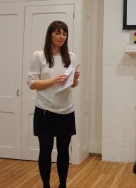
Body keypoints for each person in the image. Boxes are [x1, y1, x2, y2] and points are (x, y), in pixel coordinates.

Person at [27, 20, 80, 188]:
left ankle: (62, 185)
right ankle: (46, 185)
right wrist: (53, 81)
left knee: (64, 151)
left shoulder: (70, 56)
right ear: (50, 34)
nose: (61, 36)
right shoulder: (39, 56)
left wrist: (75, 80)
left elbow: (71, 85)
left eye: (64, 34)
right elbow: (32, 83)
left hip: (66, 110)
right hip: (45, 111)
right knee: (45, 151)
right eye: (58, 33)